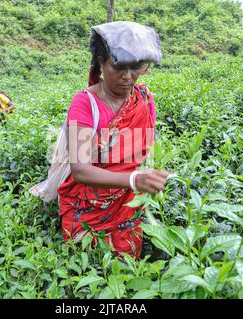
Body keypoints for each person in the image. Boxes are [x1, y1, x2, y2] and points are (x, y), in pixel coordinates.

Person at [57, 21, 169, 259]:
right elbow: (80, 170)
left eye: (136, 68)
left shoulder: (144, 99)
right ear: (101, 62)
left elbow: (145, 149)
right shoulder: (85, 104)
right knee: (90, 264)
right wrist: (134, 180)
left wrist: (151, 176)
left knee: (128, 262)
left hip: (129, 202)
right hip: (89, 207)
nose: (128, 77)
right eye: (118, 67)